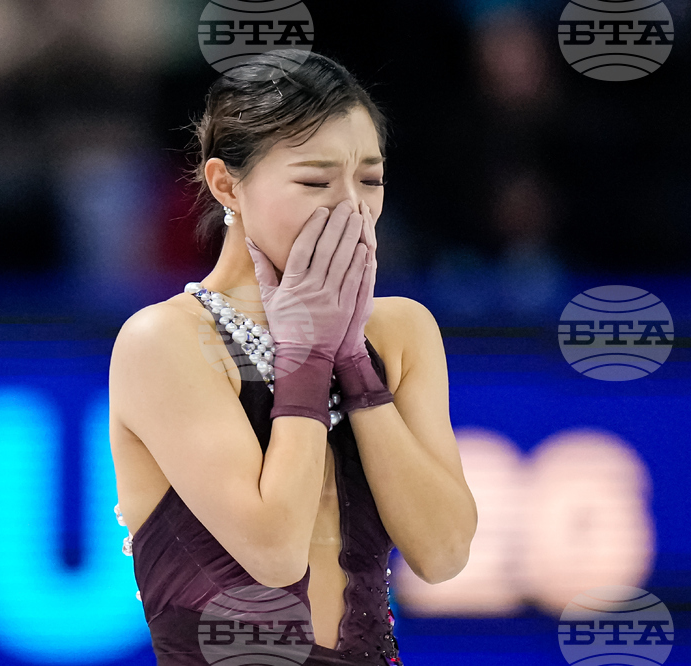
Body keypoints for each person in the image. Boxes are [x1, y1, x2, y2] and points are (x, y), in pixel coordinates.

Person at [109, 50, 478, 665]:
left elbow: (444, 555)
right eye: (314, 181)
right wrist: (306, 360)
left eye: (370, 179)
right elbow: (274, 549)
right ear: (226, 183)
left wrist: (354, 361)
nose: (351, 208)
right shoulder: (164, 341)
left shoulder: (401, 331)